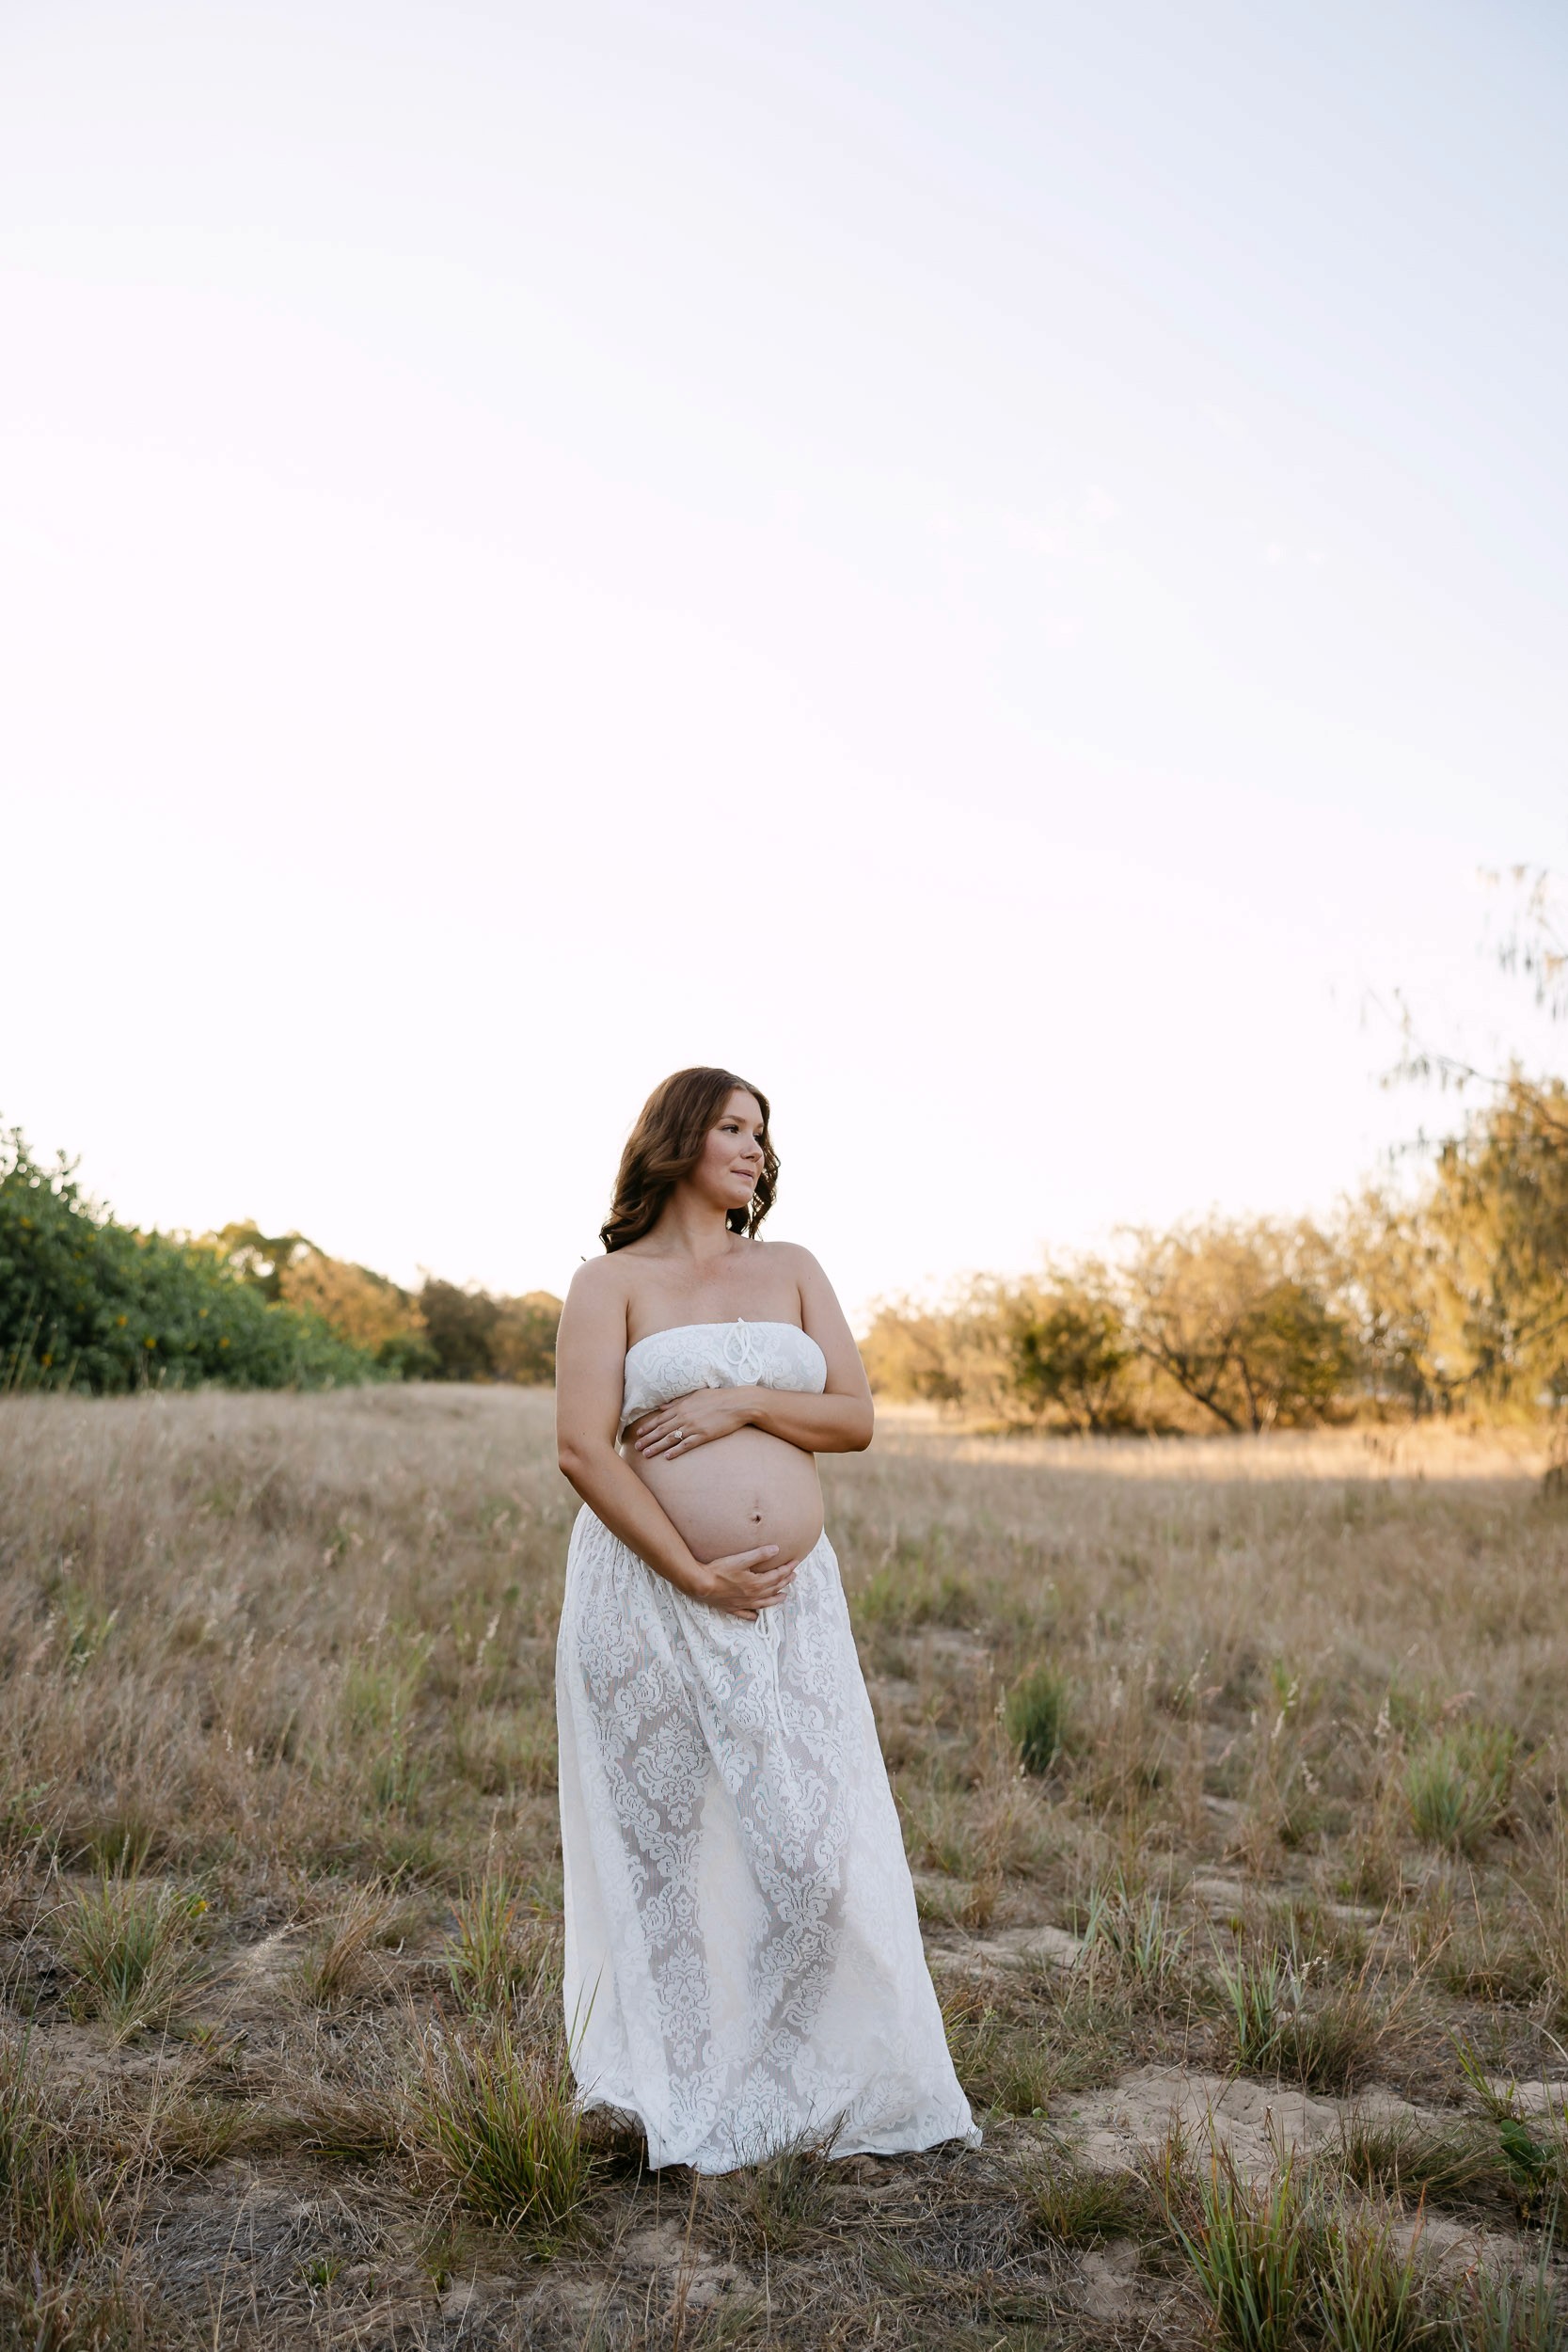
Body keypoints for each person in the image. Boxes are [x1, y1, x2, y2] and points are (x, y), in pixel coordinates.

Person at [553, 1066, 978, 2173]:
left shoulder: (791, 1268)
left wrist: (738, 1400)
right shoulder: (610, 1284)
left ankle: (792, 2085)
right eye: (732, 1127)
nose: (753, 1146)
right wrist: (694, 1574)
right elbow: (581, 1449)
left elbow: (853, 1416)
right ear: (677, 1138)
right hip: (646, 1596)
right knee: (664, 1854)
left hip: (789, 1609)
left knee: (807, 1847)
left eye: (761, 1131)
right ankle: (676, 2098)